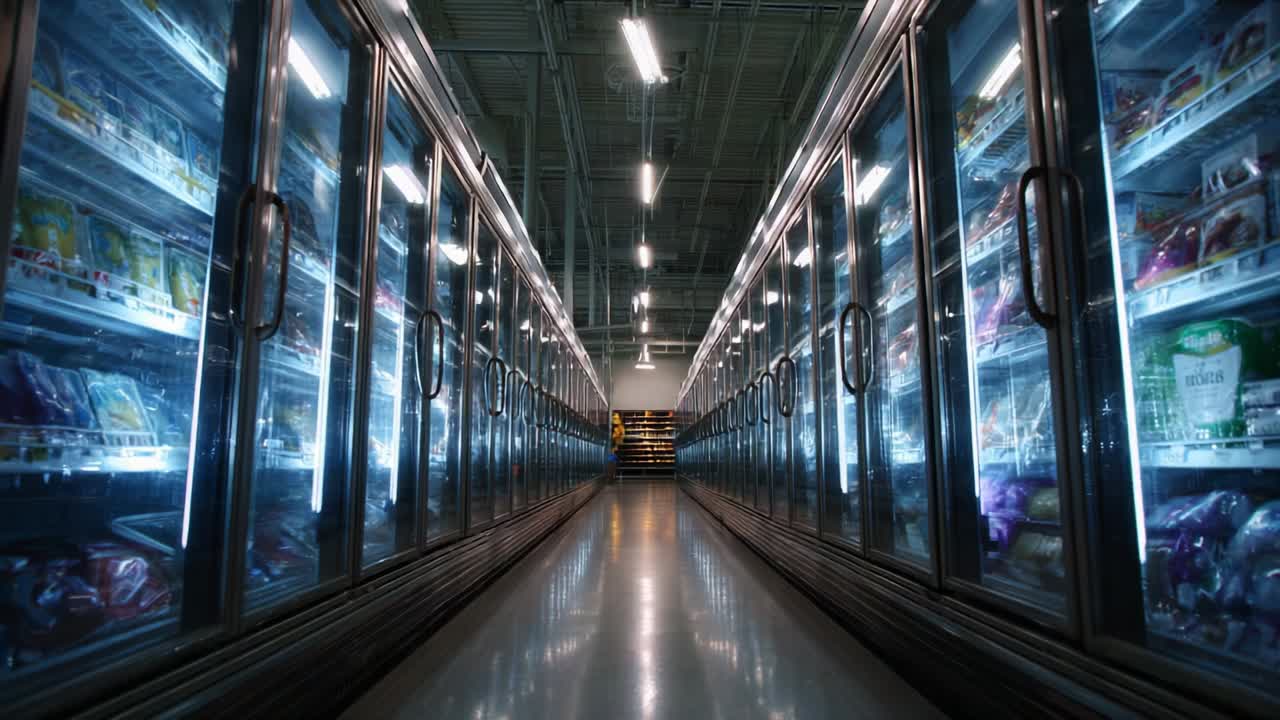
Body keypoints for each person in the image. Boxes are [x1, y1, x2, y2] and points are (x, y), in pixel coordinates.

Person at [607, 411, 624, 483]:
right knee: (613, 462)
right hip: (615, 448)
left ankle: (611, 477)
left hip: (613, 448)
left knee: (612, 462)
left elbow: (619, 436)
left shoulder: (618, 426)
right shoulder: (621, 426)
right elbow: (621, 436)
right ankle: (612, 476)